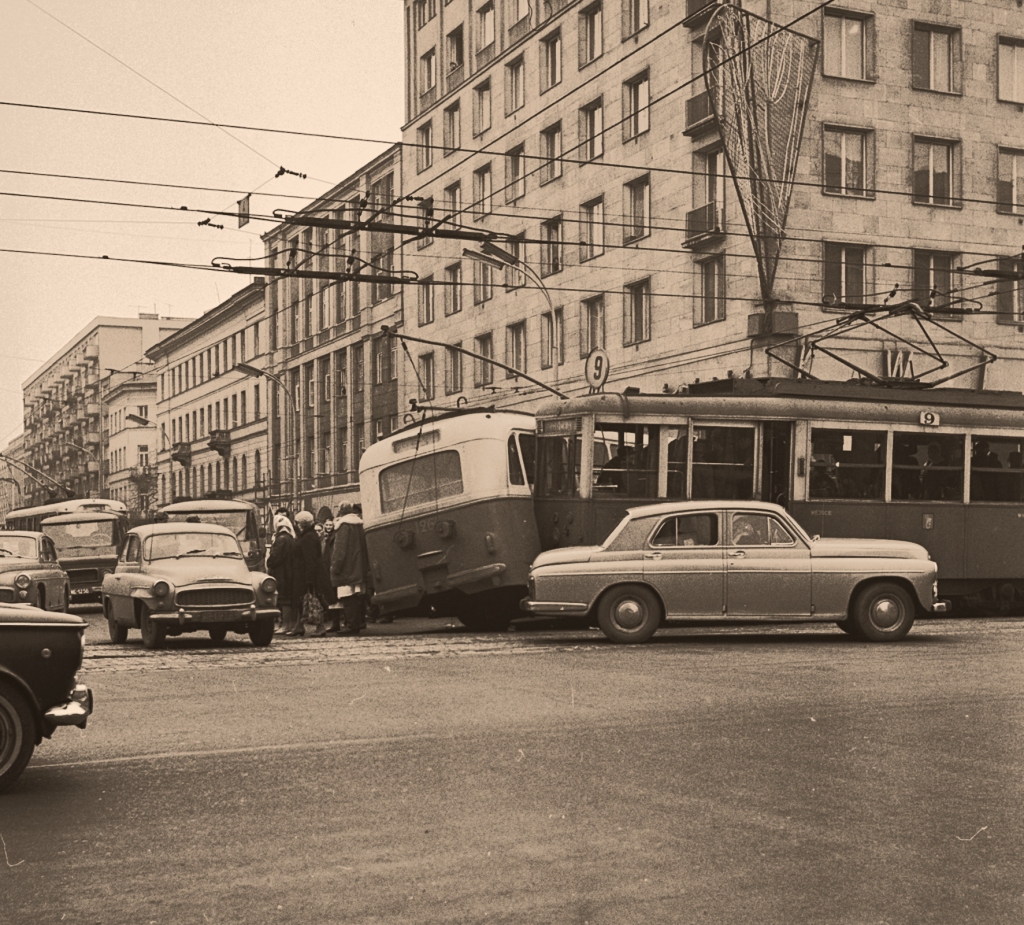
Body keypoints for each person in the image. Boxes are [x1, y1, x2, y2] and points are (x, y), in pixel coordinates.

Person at [330, 502, 372, 635]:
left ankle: (351, 625)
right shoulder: (359, 525)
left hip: (347, 568)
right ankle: (359, 622)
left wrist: (335, 567)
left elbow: (340, 550)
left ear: (341, 511)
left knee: (347, 596)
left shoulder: (343, 526)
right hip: (358, 566)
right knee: (357, 595)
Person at [294, 511, 331, 637]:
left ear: (302, 523)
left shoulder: (308, 537)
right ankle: (299, 625)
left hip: (308, 573)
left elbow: (310, 559)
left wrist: (309, 578)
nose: (297, 524)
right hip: (305, 572)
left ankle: (320, 627)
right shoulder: (308, 535)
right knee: (303, 600)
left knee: (314, 600)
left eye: (298, 522)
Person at [266, 514, 300, 635]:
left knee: (284, 599)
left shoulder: (281, 539)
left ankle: (285, 625)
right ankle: (287, 624)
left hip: (282, 573)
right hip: (288, 571)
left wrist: (269, 562)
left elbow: (275, 557)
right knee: (287, 599)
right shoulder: (290, 538)